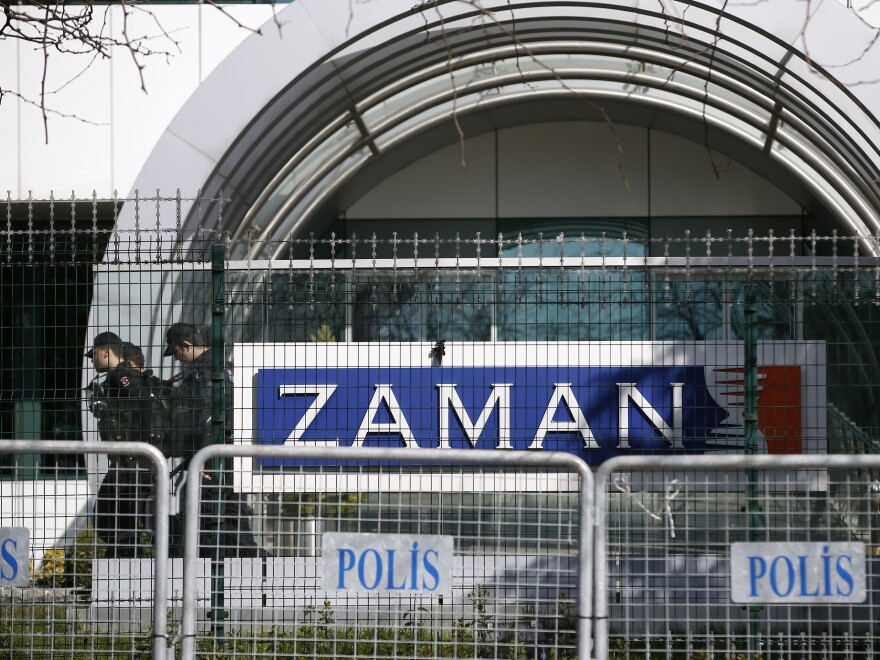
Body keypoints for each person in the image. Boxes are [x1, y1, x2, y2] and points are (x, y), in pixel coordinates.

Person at [163, 322, 265, 558]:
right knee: (230, 516)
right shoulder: (220, 367)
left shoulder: (204, 371)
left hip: (213, 457)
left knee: (209, 518)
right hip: (227, 455)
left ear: (186, 346)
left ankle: (244, 572)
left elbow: (210, 415)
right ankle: (256, 573)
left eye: (176, 352)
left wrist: (205, 457)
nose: (177, 359)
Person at [85, 332, 154, 558]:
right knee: (120, 519)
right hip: (127, 461)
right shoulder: (114, 378)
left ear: (106, 350)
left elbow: (143, 401)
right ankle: (122, 564)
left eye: (94, 354)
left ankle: (126, 561)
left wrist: (141, 446)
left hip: (132, 462)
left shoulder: (122, 375)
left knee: (109, 516)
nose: (92, 360)